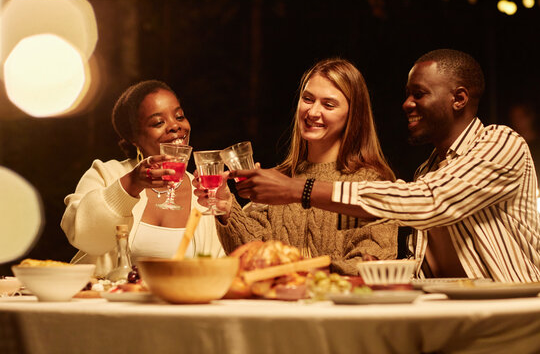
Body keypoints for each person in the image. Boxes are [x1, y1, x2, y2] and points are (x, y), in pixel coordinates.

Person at [231, 49, 540, 283]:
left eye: (419, 94)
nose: (406, 104)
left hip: (513, 310)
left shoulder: (502, 143)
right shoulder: (428, 171)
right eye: (307, 99)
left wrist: (300, 189)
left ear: (458, 99)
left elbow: (429, 200)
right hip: (457, 314)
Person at [194, 58, 398, 275]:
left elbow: (373, 262)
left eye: (328, 104)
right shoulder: (278, 179)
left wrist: (300, 271)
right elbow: (250, 258)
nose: (312, 112)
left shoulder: (370, 183)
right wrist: (226, 207)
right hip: (280, 305)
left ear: (353, 115)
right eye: (308, 99)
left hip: (337, 306)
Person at [61, 80, 224, 277]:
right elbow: (85, 239)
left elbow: (223, 264)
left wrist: (226, 211)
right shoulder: (106, 173)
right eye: (158, 122)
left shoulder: (206, 191)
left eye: (179, 116)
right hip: (110, 303)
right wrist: (131, 184)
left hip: (185, 304)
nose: (175, 126)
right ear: (134, 138)